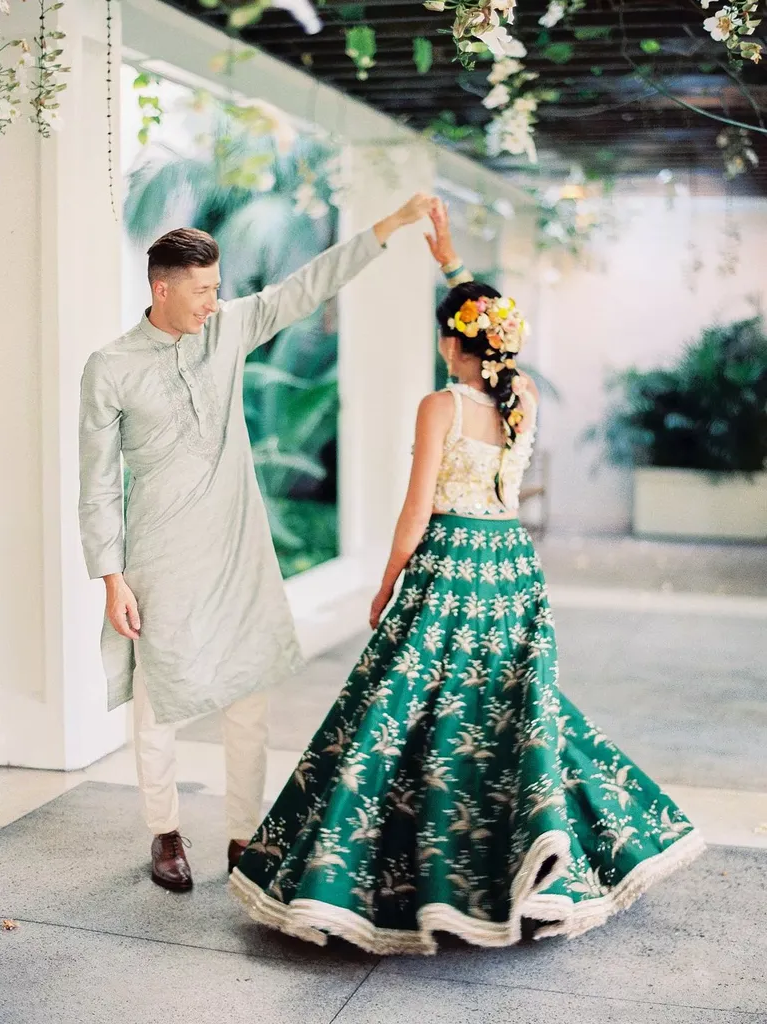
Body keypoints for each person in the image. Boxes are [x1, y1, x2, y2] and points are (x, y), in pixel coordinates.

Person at [229, 200, 705, 953]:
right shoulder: (527, 399)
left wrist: (388, 582)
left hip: (448, 568)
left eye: (445, 335)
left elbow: (416, 510)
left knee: (410, 718)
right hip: (510, 569)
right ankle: (537, 857)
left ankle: (412, 876)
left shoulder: (440, 404)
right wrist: (451, 264)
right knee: (507, 718)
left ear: (452, 344)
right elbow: (486, 323)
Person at [77, 192, 435, 892]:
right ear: (162, 288)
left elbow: (304, 288)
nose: (214, 301)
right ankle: (166, 832)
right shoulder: (110, 367)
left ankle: (247, 833)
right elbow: (96, 483)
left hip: (238, 549)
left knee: (249, 699)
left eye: (218, 288)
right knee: (160, 700)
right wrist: (111, 577)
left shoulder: (227, 332)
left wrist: (386, 227)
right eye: (203, 290)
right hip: (159, 555)